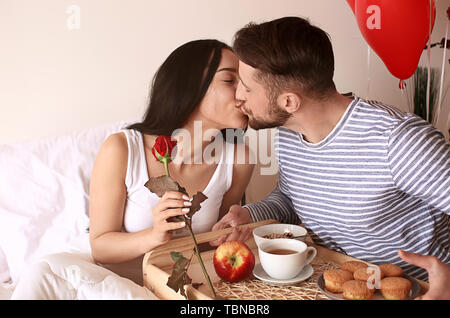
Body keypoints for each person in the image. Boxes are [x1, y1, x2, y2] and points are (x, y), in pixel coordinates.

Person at [211, 17, 450, 299]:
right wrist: (250, 214)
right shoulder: (289, 133)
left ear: (289, 102)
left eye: (247, 88)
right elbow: (290, 198)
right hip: (347, 288)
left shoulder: (397, 140)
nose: (238, 96)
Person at [11, 39, 254, 299]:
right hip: (106, 284)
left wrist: (226, 237)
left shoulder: (239, 159)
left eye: (245, 82)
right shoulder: (123, 149)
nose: (244, 92)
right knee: (45, 272)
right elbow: (101, 246)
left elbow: (208, 247)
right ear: (191, 86)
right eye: (230, 81)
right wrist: (155, 235)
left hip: (170, 289)